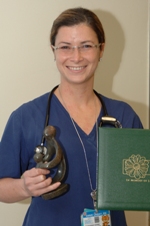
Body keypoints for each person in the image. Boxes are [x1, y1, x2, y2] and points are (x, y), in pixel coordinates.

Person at [0, 7, 142, 226]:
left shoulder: (124, 116)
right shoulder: (25, 117)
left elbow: (141, 181)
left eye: (86, 46)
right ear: (54, 51)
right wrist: (23, 187)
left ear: (101, 49)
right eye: (66, 47)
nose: (76, 57)